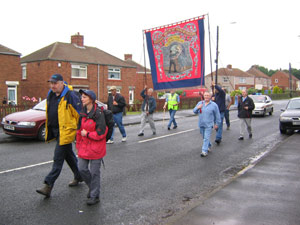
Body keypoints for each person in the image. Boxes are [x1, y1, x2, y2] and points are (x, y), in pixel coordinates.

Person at [36, 74, 82, 198]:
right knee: (69, 155)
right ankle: (79, 176)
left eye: (55, 83)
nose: (52, 85)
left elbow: (79, 114)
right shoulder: (50, 94)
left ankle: (48, 185)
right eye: (51, 83)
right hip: (56, 130)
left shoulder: (70, 95)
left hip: (66, 131)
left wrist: (80, 131)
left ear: (62, 83)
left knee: (58, 159)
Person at [76, 90, 108, 205]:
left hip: (96, 148)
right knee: (81, 168)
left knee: (95, 173)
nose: (82, 99)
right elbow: (79, 131)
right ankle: (93, 188)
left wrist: (88, 134)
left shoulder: (98, 114)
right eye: (82, 97)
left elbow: (101, 133)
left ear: (90, 99)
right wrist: (78, 144)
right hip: (84, 148)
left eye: (84, 97)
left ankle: (95, 196)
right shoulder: (82, 113)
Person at [193, 92, 221, 157]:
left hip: (209, 124)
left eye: (208, 95)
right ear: (203, 96)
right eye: (205, 95)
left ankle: (204, 151)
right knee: (204, 137)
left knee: (206, 138)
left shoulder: (214, 105)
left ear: (210, 97)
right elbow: (194, 111)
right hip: (201, 124)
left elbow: (217, 115)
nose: (206, 97)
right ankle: (209, 145)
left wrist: (217, 124)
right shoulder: (200, 103)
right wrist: (198, 108)